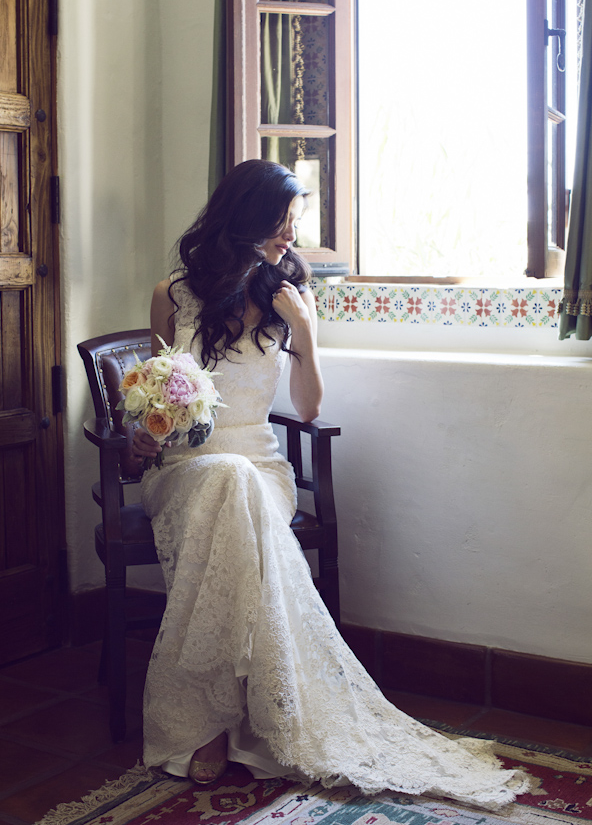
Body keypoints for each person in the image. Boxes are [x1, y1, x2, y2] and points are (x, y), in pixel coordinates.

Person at [132, 159, 530, 809]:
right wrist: (147, 432)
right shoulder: (170, 295)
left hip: (261, 471)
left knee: (237, 484)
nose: (292, 234)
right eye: (281, 222)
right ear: (246, 220)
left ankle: (215, 723)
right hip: (184, 471)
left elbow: (309, 410)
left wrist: (309, 334)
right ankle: (223, 719)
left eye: (295, 221)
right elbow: (159, 396)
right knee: (222, 482)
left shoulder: (291, 296)